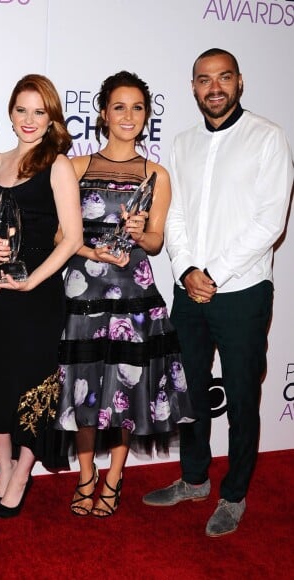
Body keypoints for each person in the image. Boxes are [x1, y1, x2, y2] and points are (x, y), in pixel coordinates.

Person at [142, 49, 293, 537]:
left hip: (243, 290)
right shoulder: (182, 144)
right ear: (192, 87)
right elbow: (176, 214)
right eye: (204, 79)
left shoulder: (267, 137)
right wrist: (186, 269)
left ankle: (234, 494)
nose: (214, 87)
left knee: (243, 395)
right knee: (189, 391)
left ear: (239, 82)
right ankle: (193, 478)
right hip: (189, 288)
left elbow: (269, 221)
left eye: (223, 77)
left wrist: (214, 273)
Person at [54, 71, 194, 519]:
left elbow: (156, 242)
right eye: (119, 106)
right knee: (83, 388)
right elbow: (61, 235)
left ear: (147, 115)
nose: (128, 116)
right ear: (103, 113)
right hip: (83, 294)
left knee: (122, 389)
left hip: (133, 293)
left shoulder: (157, 175)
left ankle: (114, 476)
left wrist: (139, 233)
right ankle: (85, 476)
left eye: (137, 108)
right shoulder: (74, 167)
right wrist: (90, 248)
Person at [0, 74, 83, 518]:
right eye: (22, 110)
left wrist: (32, 280)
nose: (30, 120)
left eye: (40, 111)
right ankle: (3, 468)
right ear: (10, 113)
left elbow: (72, 238)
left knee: (32, 389)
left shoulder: (56, 164)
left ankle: (22, 474)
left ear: (52, 116)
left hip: (37, 298)